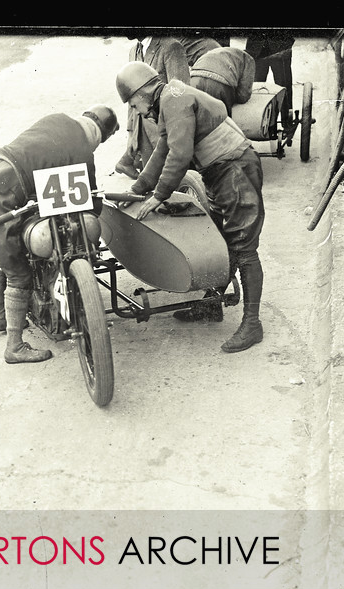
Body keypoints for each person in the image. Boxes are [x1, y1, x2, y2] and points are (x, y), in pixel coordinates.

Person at [115, 62, 266, 353]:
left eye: (133, 103)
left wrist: (158, 195)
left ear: (142, 91)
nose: (135, 110)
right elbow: (163, 151)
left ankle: (252, 324)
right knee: (224, 240)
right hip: (222, 171)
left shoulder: (174, 99)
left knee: (244, 248)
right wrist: (136, 189)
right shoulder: (169, 100)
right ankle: (212, 305)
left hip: (235, 170)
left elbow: (180, 155)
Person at [0, 105, 119, 364]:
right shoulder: (83, 149)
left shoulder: (58, 119)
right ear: (101, 136)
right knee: (19, 274)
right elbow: (89, 204)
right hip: (3, 193)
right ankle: (14, 347)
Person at [115, 37, 190, 179]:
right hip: (143, 137)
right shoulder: (133, 51)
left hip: (165, 134)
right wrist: (131, 133)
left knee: (175, 182)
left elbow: (181, 94)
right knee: (153, 184)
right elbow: (131, 99)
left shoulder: (171, 47)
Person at [244, 33, 296, 126]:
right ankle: (256, 122)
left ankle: (287, 122)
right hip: (257, 49)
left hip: (280, 48)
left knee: (284, 86)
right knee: (256, 88)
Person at [189, 47, 256, 116]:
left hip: (195, 78)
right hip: (219, 82)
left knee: (196, 118)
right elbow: (243, 95)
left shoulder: (220, 51)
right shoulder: (249, 59)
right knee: (222, 122)